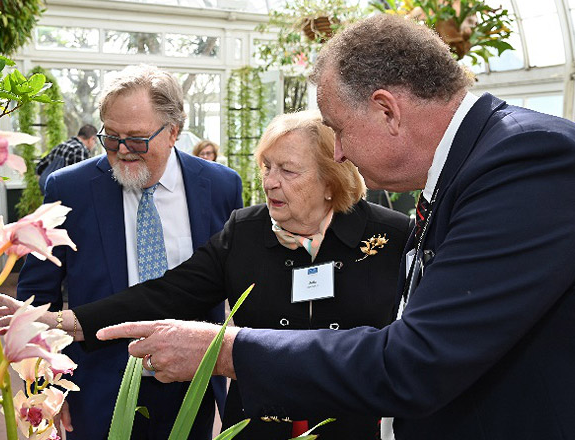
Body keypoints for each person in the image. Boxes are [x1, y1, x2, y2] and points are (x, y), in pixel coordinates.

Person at [94, 14, 575, 440]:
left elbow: (417, 360)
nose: (339, 153)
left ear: (387, 110)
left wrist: (225, 351)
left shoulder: (524, 160)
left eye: (339, 129)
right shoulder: (477, 163)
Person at [0, 110, 411, 439]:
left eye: (288, 170)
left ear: (329, 180)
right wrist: (61, 322)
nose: (270, 182)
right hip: (259, 425)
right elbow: (167, 293)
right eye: (266, 167)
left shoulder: (392, 237)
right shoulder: (244, 232)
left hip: (357, 425)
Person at [16, 64, 243, 440]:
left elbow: (237, 283)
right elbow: (37, 295)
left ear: (173, 132)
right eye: (111, 137)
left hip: (192, 387)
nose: (122, 151)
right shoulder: (70, 189)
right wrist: (44, 388)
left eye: (137, 139)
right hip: (96, 389)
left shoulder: (220, 186)